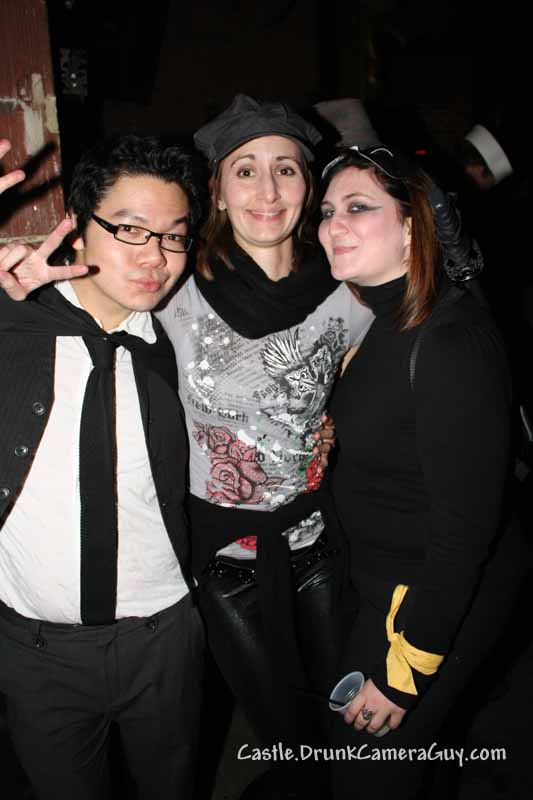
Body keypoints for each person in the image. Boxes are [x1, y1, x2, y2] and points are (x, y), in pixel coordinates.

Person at [317, 145, 527, 799]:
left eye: (357, 208)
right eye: (327, 211)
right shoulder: (386, 318)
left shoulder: (449, 340)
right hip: (383, 584)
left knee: (366, 775)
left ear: (413, 227)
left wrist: (403, 676)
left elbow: (462, 536)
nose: (331, 225)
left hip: (429, 601)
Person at [0, 135, 205, 800]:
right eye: (130, 230)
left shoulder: (182, 347)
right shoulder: (11, 326)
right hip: (36, 652)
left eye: (173, 236)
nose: (155, 256)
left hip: (164, 640)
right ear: (78, 228)